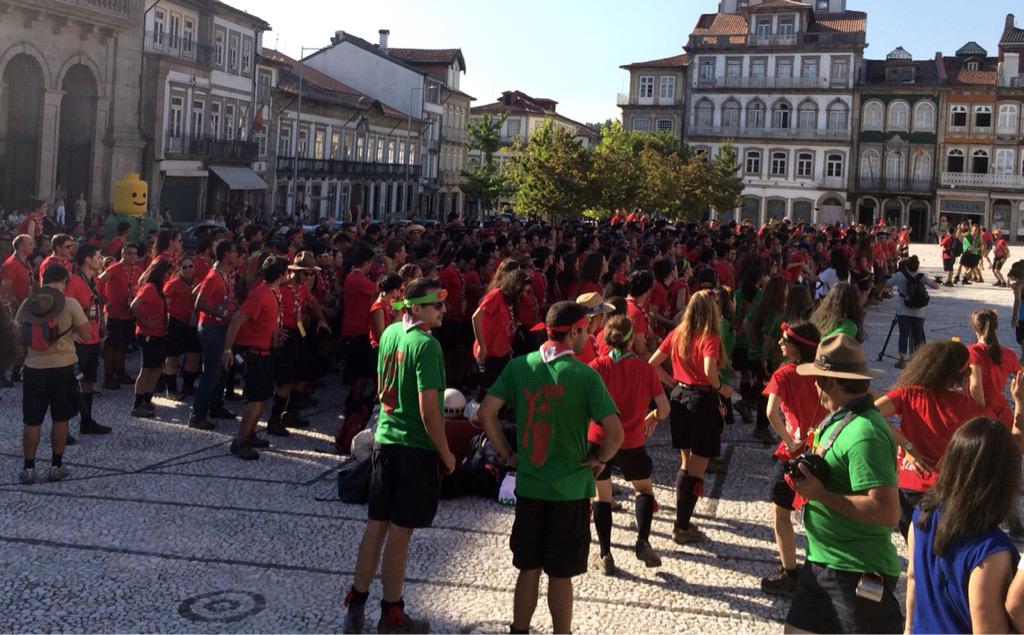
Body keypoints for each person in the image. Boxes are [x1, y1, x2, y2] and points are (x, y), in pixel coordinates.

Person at [477, 301, 623, 635]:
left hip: (530, 485)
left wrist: (506, 453)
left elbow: (486, 413)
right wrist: (600, 459)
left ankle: (520, 629)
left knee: (528, 567)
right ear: (573, 332)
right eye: (586, 330)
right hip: (570, 489)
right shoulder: (585, 375)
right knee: (561, 574)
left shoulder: (519, 366)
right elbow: (615, 433)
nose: (588, 336)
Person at [342, 278, 455, 634]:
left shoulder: (390, 332)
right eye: (436, 304)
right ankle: (392, 613)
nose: (442, 310)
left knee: (376, 526)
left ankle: (355, 605)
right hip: (415, 447)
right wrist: (446, 453)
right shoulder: (427, 345)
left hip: (385, 441)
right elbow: (430, 411)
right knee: (400, 533)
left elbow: (381, 387)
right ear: (416, 308)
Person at [785, 334, 902, 634]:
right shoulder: (840, 418)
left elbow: (887, 512)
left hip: (856, 570)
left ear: (831, 382)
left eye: (817, 378)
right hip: (822, 561)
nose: (813, 385)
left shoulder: (866, 433)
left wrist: (821, 494)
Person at [906, 418, 1020, 634]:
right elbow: (987, 627)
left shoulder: (922, 516)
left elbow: (912, 577)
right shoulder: (991, 549)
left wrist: (907, 628)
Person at [875, 340, 986, 537]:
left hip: (908, 485)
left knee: (914, 550)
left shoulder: (908, 394)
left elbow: (870, 413)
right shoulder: (970, 408)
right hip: (947, 490)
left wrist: (907, 447)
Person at [588, 315, 670, 576]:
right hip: (632, 440)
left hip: (600, 440)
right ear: (631, 338)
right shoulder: (645, 369)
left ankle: (605, 553)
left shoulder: (597, 367)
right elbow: (664, 408)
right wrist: (653, 417)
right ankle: (643, 541)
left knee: (602, 495)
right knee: (644, 490)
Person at [648, 290, 732, 543]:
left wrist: (672, 382)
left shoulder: (677, 333)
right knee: (698, 466)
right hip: (702, 402)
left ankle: (683, 520)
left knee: (686, 462)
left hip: (680, 398)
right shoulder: (710, 336)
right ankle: (681, 526)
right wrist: (720, 388)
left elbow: (652, 363)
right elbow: (709, 370)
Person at [760, 321, 827, 599]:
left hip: (794, 453)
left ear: (797, 346)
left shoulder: (783, 375)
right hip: (824, 449)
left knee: (781, 513)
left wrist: (789, 442)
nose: (779, 343)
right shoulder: (825, 371)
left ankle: (789, 572)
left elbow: (771, 413)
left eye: (784, 339)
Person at [16, 265, 91, 484]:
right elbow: (87, 334)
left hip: (34, 368)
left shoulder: (28, 304)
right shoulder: (70, 303)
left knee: (32, 421)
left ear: (42, 280)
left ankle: (28, 469)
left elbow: (19, 337)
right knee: (60, 418)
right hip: (64, 367)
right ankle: (55, 466)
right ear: (64, 281)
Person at [222, 256, 290, 458]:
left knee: (263, 396)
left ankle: (250, 434)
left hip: (267, 352)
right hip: (253, 353)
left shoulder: (272, 293)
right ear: (281, 275)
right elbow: (237, 320)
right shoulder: (260, 295)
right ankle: (240, 441)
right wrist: (227, 350)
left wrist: (275, 334)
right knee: (256, 398)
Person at [267, 252, 330, 436]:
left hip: (299, 333)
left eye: (311, 274)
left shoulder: (302, 288)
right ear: (296, 272)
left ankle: (291, 414)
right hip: (285, 335)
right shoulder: (282, 287)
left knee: (302, 376)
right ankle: (274, 420)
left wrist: (321, 319)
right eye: (306, 273)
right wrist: (275, 331)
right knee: (285, 381)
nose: (309, 277)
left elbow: (313, 302)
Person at [189, 239, 240, 429]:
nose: (237, 255)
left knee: (222, 371)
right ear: (226, 254)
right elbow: (198, 302)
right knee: (211, 374)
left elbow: (197, 292)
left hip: (221, 328)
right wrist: (223, 313)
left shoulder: (225, 273)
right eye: (234, 252)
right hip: (211, 329)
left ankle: (215, 407)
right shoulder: (214, 276)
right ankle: (197, 416)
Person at [64, 244, 111, 436]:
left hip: (93, 338)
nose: (101, 260)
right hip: (79, 341)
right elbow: (66, 308)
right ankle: (63, 429)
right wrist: (71, 333)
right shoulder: (74, 280)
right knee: (70, 384)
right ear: (87, 260)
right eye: (98, 257)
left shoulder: (94, 280)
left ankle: (87, 421)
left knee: (89, 382)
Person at [472, 269, 531, 399]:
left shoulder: (511, 300)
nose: (524, 294)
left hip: (502, 350)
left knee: (501, 388)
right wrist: (482, 345)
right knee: (488, 390)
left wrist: (507, 344)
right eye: (522, 290)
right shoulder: (497, 295)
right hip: (489, 351)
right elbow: (476, 317)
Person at [129, 259, 172, 418]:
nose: (169, 275)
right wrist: (144, 321)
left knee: (157, 368)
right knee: (146, 369)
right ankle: (138, 404)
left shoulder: (158, 289)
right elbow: (134, 306)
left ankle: (147, 399)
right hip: (148, 335)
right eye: (167, 272)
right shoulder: (150, 288)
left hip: (159, 334)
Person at [968, 308, 1022, 426]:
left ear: (974, 327)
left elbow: (976, 386)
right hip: (1002, 410)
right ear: (996, 326)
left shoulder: (974, 352)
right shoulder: (1009, 354)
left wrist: (983, 414)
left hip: (981, 411)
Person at [340, 247, 377, 414]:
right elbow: (379, 290)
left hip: (354, 327)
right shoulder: (358, 279)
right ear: (367, 262)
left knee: (357, 369)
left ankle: (353, 398)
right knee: (361, 371)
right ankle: (354, 402)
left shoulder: (351, 276)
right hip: (358, 329)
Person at [99, 242, 140, 389]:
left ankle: (120, 372)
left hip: (129, 314)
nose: (132, 256)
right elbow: (99, 282)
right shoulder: (115, 268)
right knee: (112, 346)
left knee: (123, 345)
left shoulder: (138, 269)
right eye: (129, 253)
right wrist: (105, 301)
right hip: (115, 314)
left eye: (135, 254)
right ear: (122, 254)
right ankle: (108, 377)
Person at [162, 256, 201, 398]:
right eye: (184, 267)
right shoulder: (172, 284)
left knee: (194, 357)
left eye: (190, 266)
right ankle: (171, 390)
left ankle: (188, 387)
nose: (188, 269)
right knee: (171, 358)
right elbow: (164, 304)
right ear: (179, 269)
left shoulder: (197, 282)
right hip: (175, 323)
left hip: (192, 324)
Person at [892, 256, 939, 369]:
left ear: (906, 266)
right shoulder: (921, 277)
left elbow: (887, 284)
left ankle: (902, 359)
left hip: (903, 310)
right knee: (918, 335)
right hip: (919, 312)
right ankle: (918, 360)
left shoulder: (899, 275)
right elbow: (936, 286)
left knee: (903, 335)